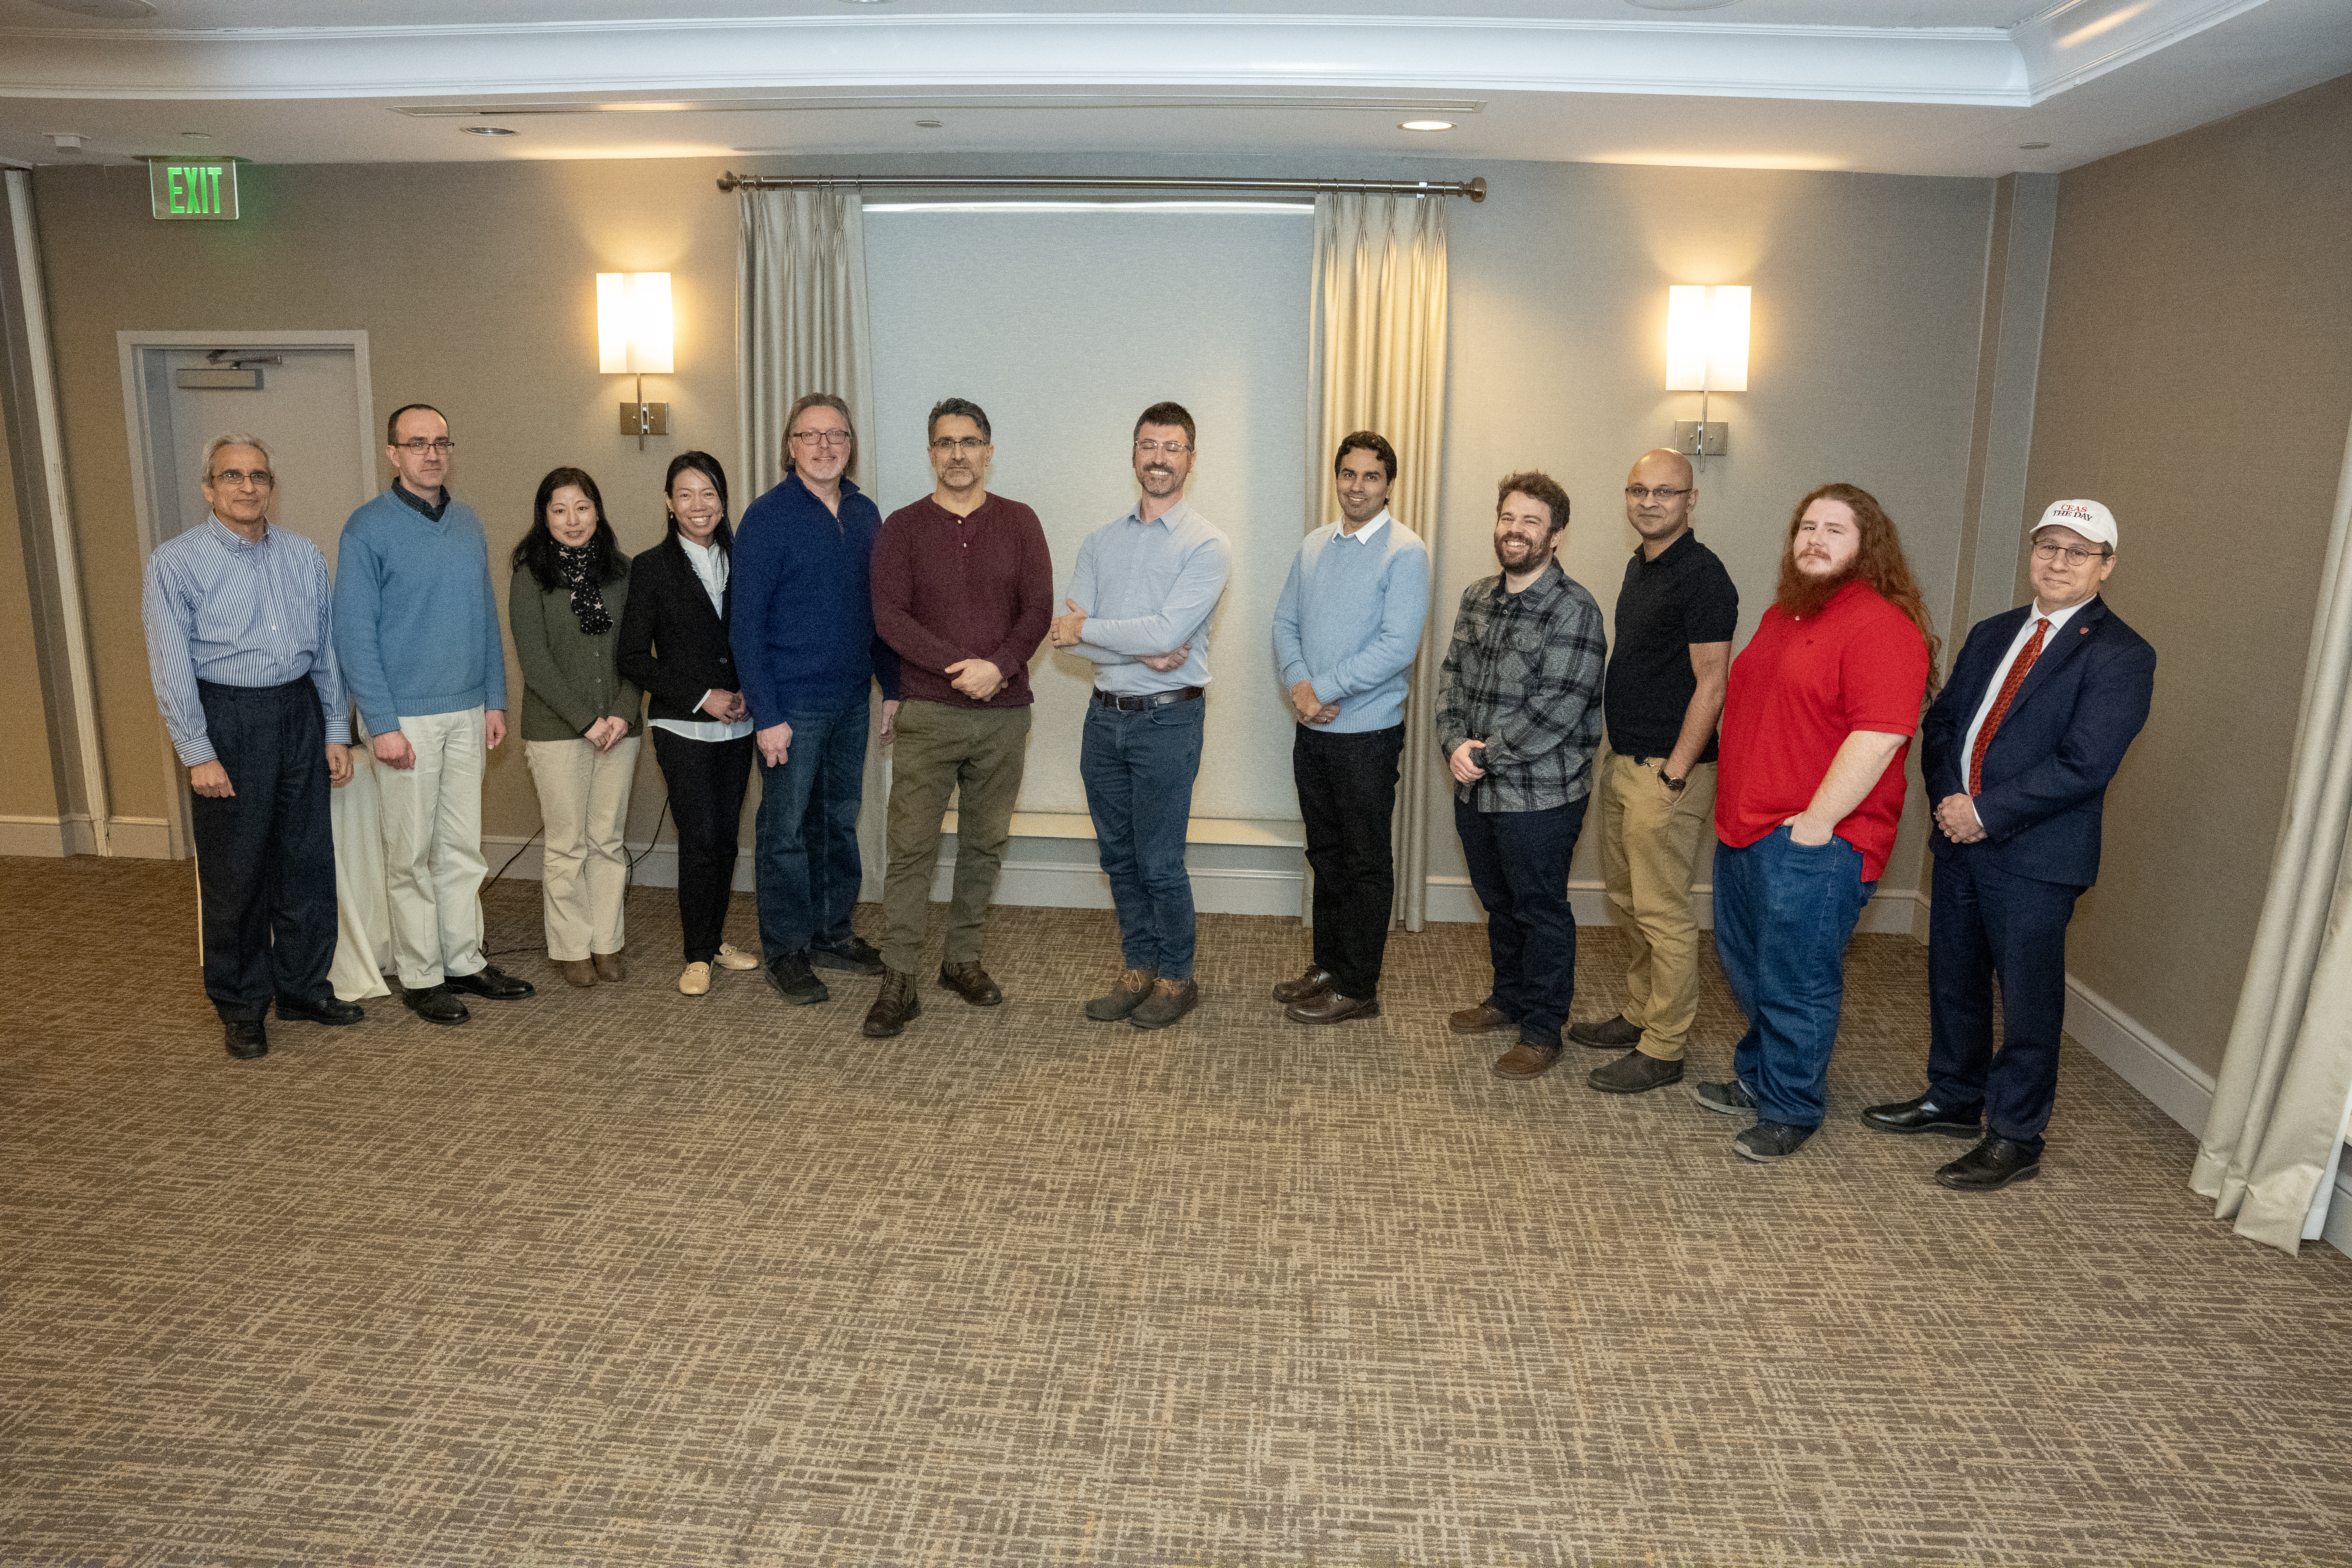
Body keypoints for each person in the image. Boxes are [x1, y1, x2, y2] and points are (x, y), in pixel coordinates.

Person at [1864, 499, 2155, 1191]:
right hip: (1960, 840)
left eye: (2077, 553)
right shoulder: (1994, 633)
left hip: (2037, 856)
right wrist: (1948, 801)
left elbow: (2086, 764)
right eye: (2048, 547)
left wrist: (1985, 813)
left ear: (2106, 567)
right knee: (1954, 981)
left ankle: (2017, 1134)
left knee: (2028, 1001)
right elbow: (1943, 724)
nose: (2058, 562)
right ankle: (1955, 1099)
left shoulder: (2122, 654)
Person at [1690, 482, 1935, 1162]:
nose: (1815, 541)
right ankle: (1759, 1076)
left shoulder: (1882, 626)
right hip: (1746, 830)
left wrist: (1817, 825)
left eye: (1835, 530)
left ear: (1866, 548)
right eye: (1807, 527)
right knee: (1750, 969)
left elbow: (1881, 736)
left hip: (1815, 843)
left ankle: (1792, 1106)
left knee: (1797, 977)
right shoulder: (1784, 616)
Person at [141, 433, 361, 1059]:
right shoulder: (175, 562)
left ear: (272, 486)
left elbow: (326, 650)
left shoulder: (302, 555)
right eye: (232, 476)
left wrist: (336, 731)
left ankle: (303, 988)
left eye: (258, 476)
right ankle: (242, 1005)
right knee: (237, 872)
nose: (247, 487)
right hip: (226, 718)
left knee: (307, 863)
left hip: (298, 711)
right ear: (209, 488)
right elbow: (170, 666)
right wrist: (197, 751)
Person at [334, 404, 535, 1025]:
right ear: (393, 454)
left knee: (460, 847)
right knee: (412, 852)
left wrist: (495, 699)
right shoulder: (367, 528)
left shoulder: (469, 522)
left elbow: (484, 617)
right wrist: (383, 725)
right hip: (406, 721)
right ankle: (422, 976)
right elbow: (354, 635)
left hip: (469, 710)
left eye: (441, 442)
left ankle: (464, 959)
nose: (432, 454)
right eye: (417, 443)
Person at [864, 398, 1053, 1038]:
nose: (958, 454)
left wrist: (997, 668)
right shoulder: (902, 527)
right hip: (929, 715)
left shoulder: (1021, 523)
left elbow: (1038, 610)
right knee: (911, 848)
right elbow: (890, 618)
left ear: (989, 450)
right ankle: (900, 976)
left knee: (984, 845)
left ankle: (962, 960)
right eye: (945, 443)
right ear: (931, 453)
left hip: (1004, 718)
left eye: (970, 442)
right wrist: (963, 668)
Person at [1049, 401, 1232, 1031]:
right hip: (1104, 720)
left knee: (1159, 860)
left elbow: (1169, 629)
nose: (1159, 457)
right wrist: (1139, 641)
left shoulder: (1207, 544)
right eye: (1149, 445)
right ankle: (1137, 968)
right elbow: (1070, 638)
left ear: (1191, 459)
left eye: (1172, 447)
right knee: (1118, 858)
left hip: (1167, 722)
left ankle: (1177, 977)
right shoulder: (1101, 541)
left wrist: (1105, 630)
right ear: (1134, 454)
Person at [1574, 448, 1739, 1094]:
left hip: (1669, 773)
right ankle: (1642, 1014)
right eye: (1638, 489)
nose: (1650, 502)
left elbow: (1712, 683)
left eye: (1665, 493)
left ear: (1690, 501)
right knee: (1628, 901)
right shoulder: (1639, 567)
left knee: (1664, 913)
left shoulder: (1704, 577)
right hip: (1625, 761)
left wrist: (1675, 774)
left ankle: (1665, 1046)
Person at [731, 392, 901, 1007]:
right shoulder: (767, 517)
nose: (825, 446)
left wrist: (893, 688)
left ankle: (833, 933)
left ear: (850, 447)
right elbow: (744, 626)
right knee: (785, 833)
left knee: (837, 823)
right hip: (791, 707)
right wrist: (767, 716)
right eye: (811, 436)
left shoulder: (865, 514)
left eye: (836, 435)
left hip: (854, 697)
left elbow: (879, 611)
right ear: (790, 447)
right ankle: (787, 950)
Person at [1437, 472, 1607, 1079]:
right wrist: (1454, 742)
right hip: (1475, 789)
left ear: (1556, 536)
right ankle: (1507, 999)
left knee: (1540, 909)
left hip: (1542, 796)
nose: (1516, 530)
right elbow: (1451, 680)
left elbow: (1558, 707)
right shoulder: (1478, 596)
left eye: (1531, 521)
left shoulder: (1575, 609)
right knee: (1498, 903)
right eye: (1509, 517)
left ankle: (1542, 1028)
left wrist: (1482, 756)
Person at [1267, 430, 1431, 1024]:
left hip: (1367, 734)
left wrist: (1324, 690)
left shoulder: (1404, 552)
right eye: (1348, 474)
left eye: (1370, 477)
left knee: (1364, 862)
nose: (1357, 486)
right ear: (1336, 478)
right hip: (1313, 730)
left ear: (1389, 485)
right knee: (1325, 853)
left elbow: (1397, 646)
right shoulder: (1314, 545)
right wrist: (1300, 687)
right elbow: (1285, 621)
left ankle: (1359, 986)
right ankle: (1329, 965)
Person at [617, 452, 764, 997]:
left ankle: (716, 938)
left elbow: (756, 632)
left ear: (723, 500)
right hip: (683, 728)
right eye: (685, 494)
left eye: (708, 494)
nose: (698, 505)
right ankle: (696, 954)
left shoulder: (743, 557)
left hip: (742, 726)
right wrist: (705, 697)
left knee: (726, 840)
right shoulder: (651, 567)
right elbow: (633, 657)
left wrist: (751, 689)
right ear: (669, 504)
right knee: (699, 839)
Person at [510, 466, 641, 989]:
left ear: (597, 511)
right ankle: (570, 947)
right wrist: (587, 721)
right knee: (568, 844)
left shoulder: (623, 573)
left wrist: (622, 714)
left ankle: (607, 942)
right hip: (556, 730)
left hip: (619, 729)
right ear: (544, 517)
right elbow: (535, 662)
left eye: (582, 508)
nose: (573, 520)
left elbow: (638, 651)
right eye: (560, 510)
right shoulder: (531, 577)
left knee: (607, 840)